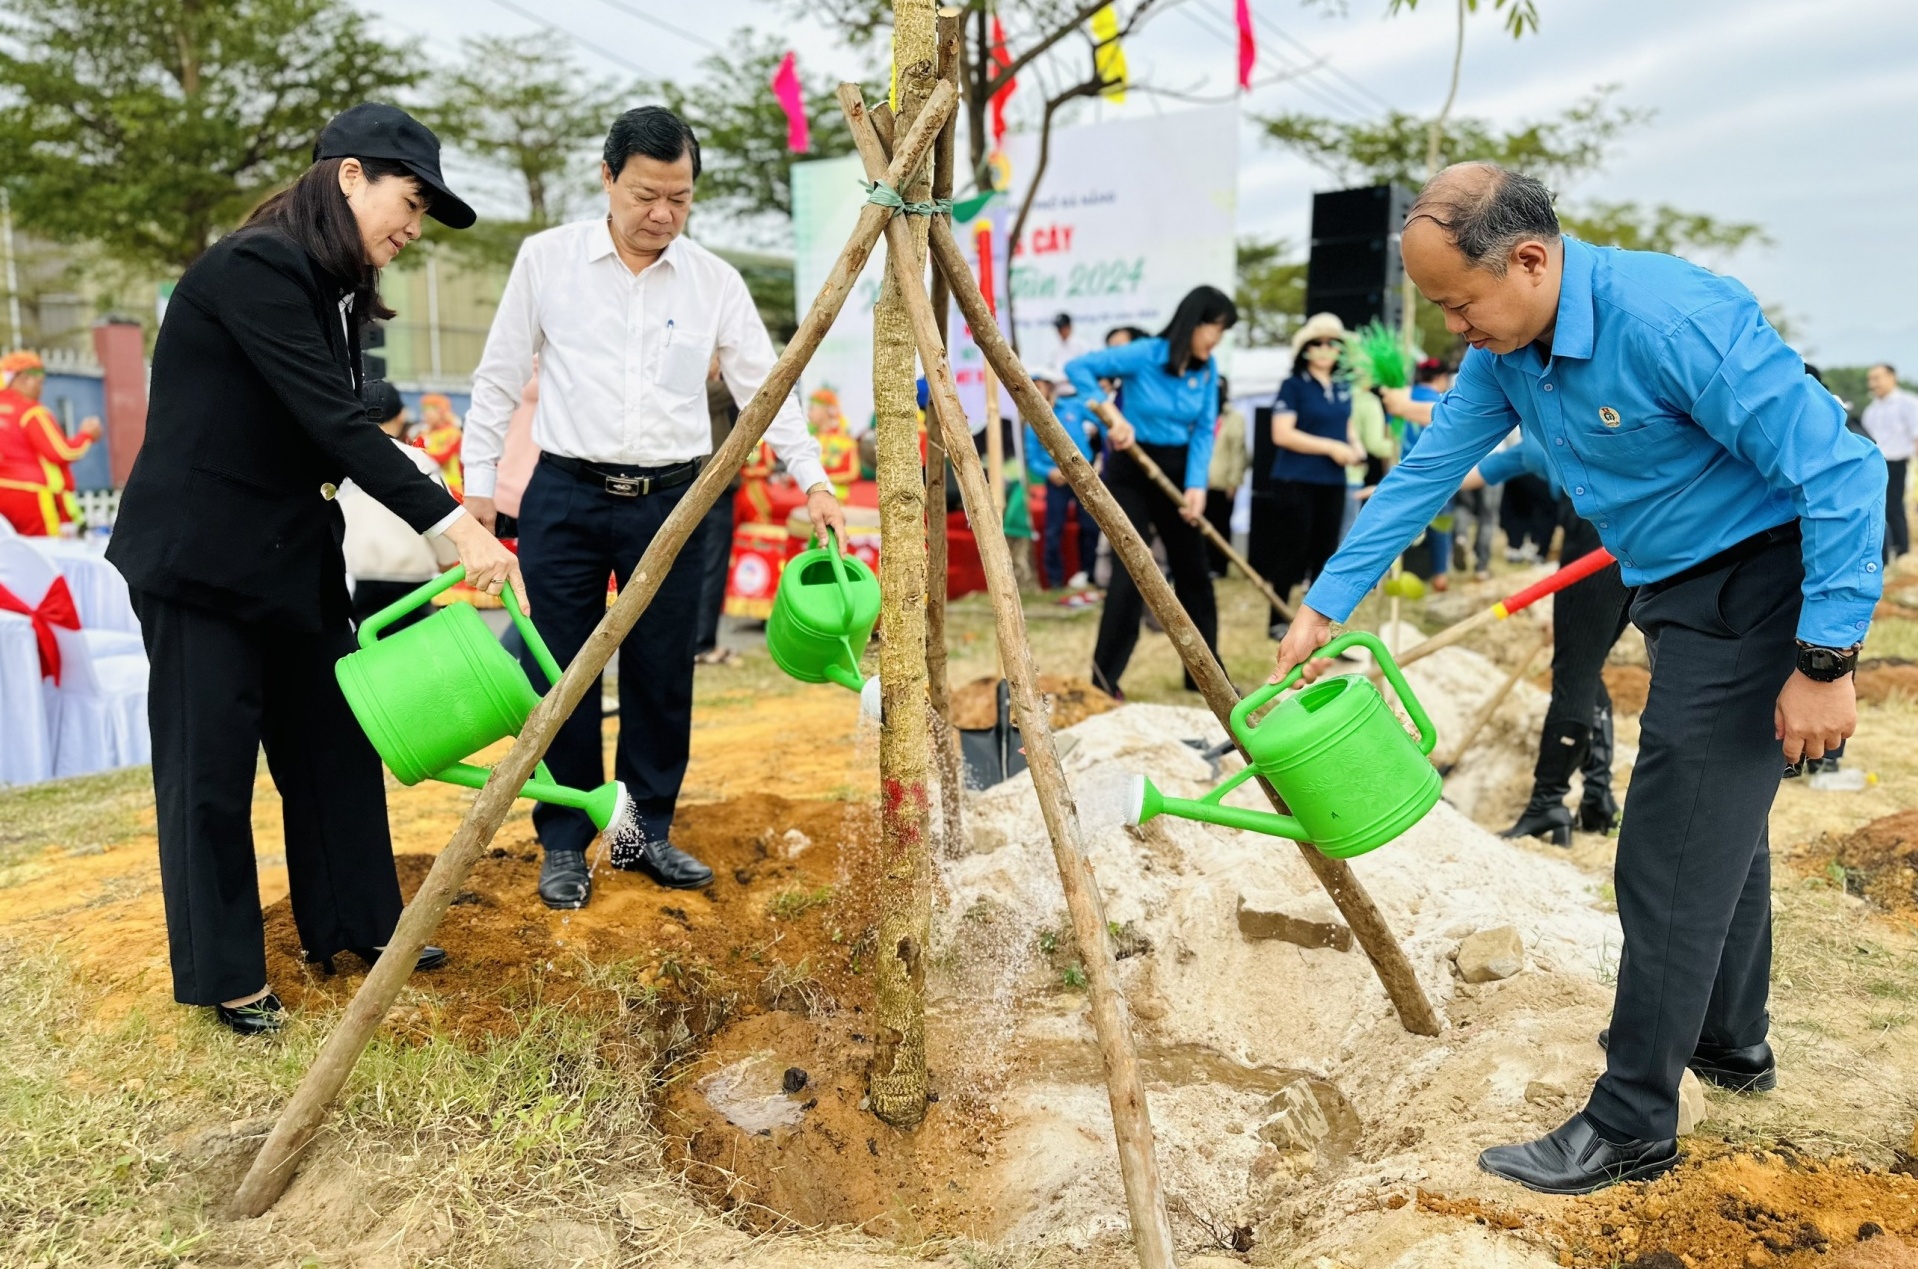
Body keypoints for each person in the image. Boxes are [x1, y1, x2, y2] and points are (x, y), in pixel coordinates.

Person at [1275, 162, 1883, 1193]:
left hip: (1761, 588)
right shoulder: (1509, 349)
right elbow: (1423, 473)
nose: (1455, 329)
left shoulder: (1669, 318)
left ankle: (1632, 1120)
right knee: (1713, 835)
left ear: (1530, 259)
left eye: (1460, 303)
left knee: (1664, 855)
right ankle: (1732, 1043)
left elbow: (1841, 468)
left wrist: (1824, 659)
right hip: (1679, 597)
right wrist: (1325, 606)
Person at [107, 103, 520, 1036]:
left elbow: (334, 419)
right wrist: (456, 527)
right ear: (349, 176)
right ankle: (227, 976)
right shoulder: (255, 267)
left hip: (291, 560)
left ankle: (361, 925)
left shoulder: (331, 287)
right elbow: (333, 424)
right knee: (209, 771)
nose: (414, 228)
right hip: (201, 563)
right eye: (410, 203)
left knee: (333, 748)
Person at [460, 105, 844, 911]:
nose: (662, 214)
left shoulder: (714, 281)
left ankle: (642, 833)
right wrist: (481, 488)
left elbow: (768, 392)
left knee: (663, 672)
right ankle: (565, 839)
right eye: (644, 195)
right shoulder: (546, 260)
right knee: (562, 669)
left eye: (679, 196)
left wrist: (813, 480)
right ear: (606, 179)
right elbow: (497, 378)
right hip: (563, 494)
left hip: (673, 501)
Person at [1066, 285, 1234, 696]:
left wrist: (1196, 485)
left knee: (1194, 571)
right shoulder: (1147, 354)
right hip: (1134, 469)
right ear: (1193, 321)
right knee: (1131, 570)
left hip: (1176, 473)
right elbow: (1079, 368)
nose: (1217, 338)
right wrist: (1109, 415)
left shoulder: (1206, 369)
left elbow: (1203, 431)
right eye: (1215, 327)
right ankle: (1105, 682)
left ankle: (1206, 678)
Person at [1265, 313, 1364, 637]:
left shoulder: (1342, 385)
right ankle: (1278, 619)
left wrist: (1355, 445)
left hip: (1333, 481)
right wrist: (1330, 447)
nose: (1324, 349)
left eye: (1331, 344)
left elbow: (1345, 424)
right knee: (1291, 552)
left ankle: (1317, 624)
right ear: (1305, 349)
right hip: (1296, 479)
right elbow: (1282, 433)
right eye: (1317, 343)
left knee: (1326, 554)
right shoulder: (1293, 385)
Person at [340, 380, 459, 633]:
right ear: (402, 414)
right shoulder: (417, 459)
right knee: (411, 654)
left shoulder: (338, 462)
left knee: (364, 650)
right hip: (412, 577)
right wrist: (447, 558)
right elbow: (443, 518)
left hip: (354, 576)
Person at [0, 350, 102, 535]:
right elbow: (62, 453)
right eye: (39, 382)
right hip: (34, 496)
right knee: (46, 552)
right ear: (23, 379)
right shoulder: (32, 412)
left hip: (3, 496)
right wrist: (87, 435)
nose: (41, 389)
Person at [1025, 366, 1099, 590]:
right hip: (1055, 481)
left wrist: (1092, 459)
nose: (1035, 391)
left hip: (1083, 477)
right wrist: (1049, 472)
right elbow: (1032, 457)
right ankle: (1055, 581)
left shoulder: (1074, 407)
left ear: (1049, 387)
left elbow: (1101, 421)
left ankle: (1091, 574)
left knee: (1090, 526)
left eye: (1039, 386)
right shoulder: (1032, 421)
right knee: (1053, 529)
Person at [695, 354, 742, 666]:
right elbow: (745, 388)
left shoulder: (706, 391)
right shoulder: (706, 391)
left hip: (702, 491)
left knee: (703, 569)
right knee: (711, 570)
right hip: (711, 492)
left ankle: (699, 641)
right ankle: (703, 643)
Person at [1862, 363, 1916, 563]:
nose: (1873, 383)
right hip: (1876, 465)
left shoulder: (1908, 403)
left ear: (1891, 377)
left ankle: (1902, 551)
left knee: (1894, 506)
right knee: (1878, 508)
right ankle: (1885, 553)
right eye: (1870, 379)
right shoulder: (1871, 410)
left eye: (1877, 378)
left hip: (1897, 462)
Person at [1204, 377, 1248, 578]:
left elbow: (1238, 452)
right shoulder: (1201, 413)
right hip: (1201, 481)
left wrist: (1234, 481)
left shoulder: (1234, 417)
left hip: (1222, 482)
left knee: (1220, 524)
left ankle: (1219, 566)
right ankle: (1203, 563)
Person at [416, 392, 465, 497]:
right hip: (431, 487)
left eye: (428, 411)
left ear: (440, 411)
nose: (425, 415)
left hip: (452, 489)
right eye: (423, 411)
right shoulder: (425, 433)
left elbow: (441, 457)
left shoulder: (453, 433)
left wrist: (421, 453)